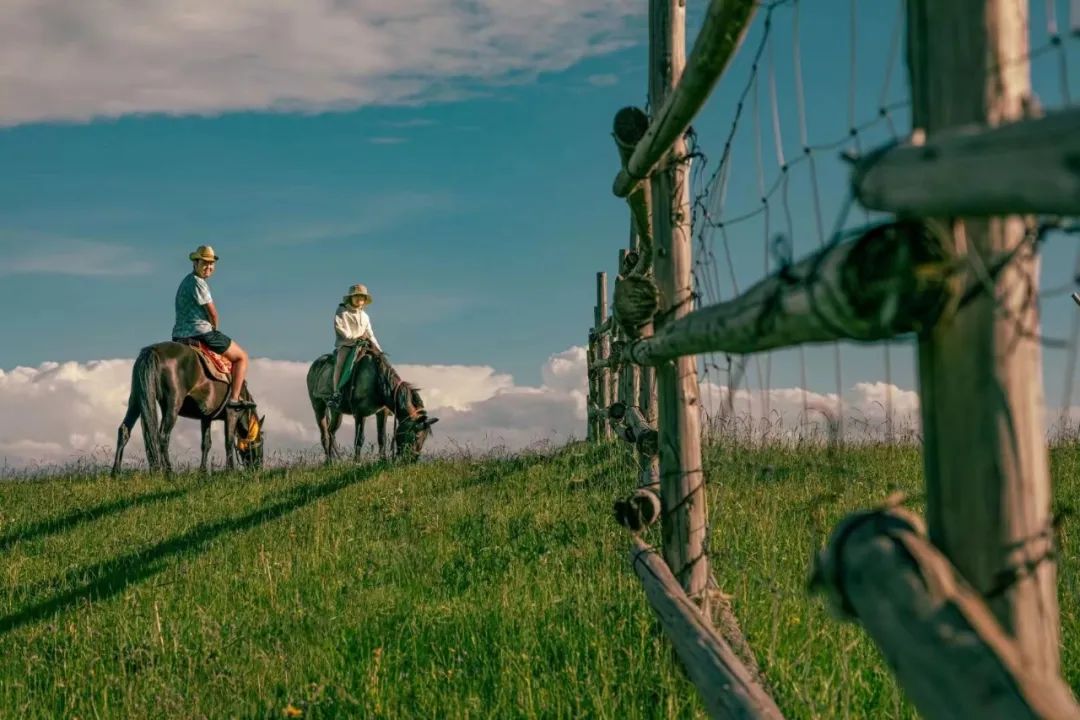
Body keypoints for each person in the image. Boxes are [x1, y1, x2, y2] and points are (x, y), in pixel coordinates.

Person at [172, 245, 255, 409]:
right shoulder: (199, 283)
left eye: (211, 264)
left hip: (179, 335)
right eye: (205, 263)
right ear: (195, 263)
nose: (209, 267)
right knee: (242, 357)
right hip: (201, 332)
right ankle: (235, 399)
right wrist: (215, 329)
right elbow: (213, 313)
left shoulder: (186, 281)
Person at [328, 283, 382, 409]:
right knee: (340, 364)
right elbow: (340, 328)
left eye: (362, 297)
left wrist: (379, 350)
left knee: (379, 364)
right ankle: (336, 393)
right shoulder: (342, 311)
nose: (359, 299)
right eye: (356, 296)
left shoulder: (365, 316)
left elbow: (370, 334)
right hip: (347, 345)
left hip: (363, 345)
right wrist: (354, 339)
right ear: (351, 298)